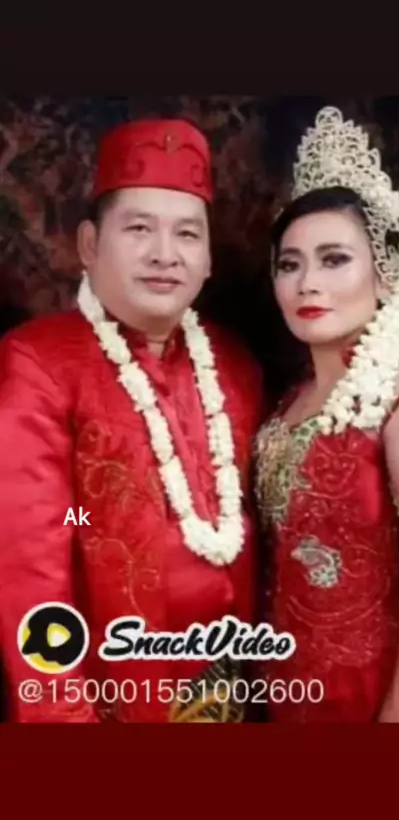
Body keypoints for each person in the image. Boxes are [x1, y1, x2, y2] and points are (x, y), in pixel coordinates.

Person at [0, 117, 265, 722]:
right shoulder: (38, 364)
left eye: (187, 234)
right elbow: (28, 574)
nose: (164, 254)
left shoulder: (234, 364)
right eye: (139, 228)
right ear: (89, 245)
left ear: (209, 258)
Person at [253, 106, 399, 722]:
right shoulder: (290, 402)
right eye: (290, 264)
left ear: (384, 276)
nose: (308, 283)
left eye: (334, 259)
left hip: (377, 699)